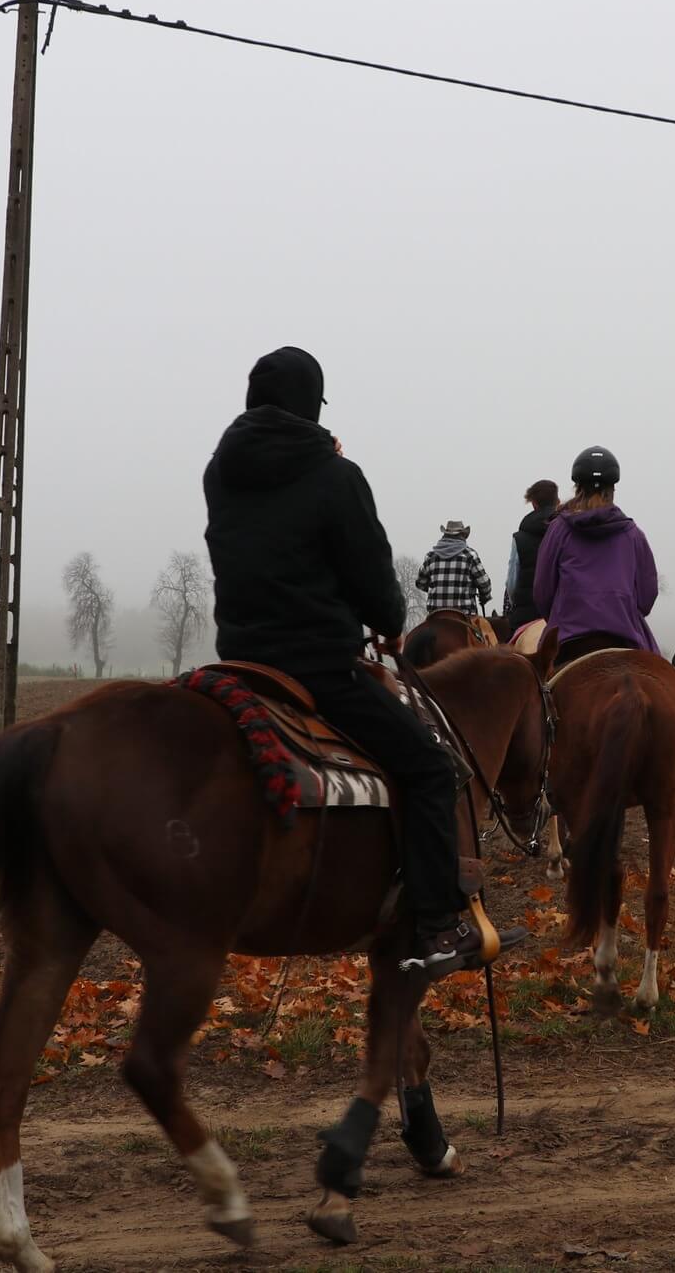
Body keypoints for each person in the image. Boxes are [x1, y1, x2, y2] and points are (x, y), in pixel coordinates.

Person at [203, 345, 516, 976]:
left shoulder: (219, 471)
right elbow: (374, 581)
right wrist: (392, 627)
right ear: (310, 408)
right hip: (317, 666)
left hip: (238, 662)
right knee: (430, 768)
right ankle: (435, 924)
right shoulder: (336, 475)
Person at [533, 445, 675, 811]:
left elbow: (542, 594)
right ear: (614, 488)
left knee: (539, 704)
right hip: (626, 638)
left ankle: (539, 781)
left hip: (571, 641)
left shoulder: (558, 532)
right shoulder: (633, 534)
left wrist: (566, 613)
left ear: (575, 486)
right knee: (671, 691)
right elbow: (646, 597)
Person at [503, 479, 560, 629]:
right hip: (561, 614)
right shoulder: (569, 533)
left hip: (526, 616)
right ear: (557, 502)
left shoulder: (519, 538)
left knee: (508, 649)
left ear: (534, 503)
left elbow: (512, 586)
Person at [415, 520, 493, 615]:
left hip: (435, 614)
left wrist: (438, 588)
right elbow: (485, 584)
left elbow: (420, 583)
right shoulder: (470, 555)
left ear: (445, 535)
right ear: (463, 536)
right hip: (464, 614)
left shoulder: (430, 556)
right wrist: (484, 597)